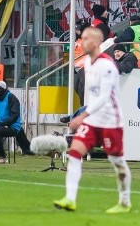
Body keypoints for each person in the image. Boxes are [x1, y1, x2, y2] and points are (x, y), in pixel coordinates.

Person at [54, 26, 132, 214]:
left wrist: (81, 116)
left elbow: (105, 97)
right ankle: (70, 199)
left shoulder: (107, 65)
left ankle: (124, 201)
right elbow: (93, 95)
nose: (82, 42)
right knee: (74, 152)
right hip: (92, 119)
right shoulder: (87, 63)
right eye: (81, 38)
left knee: (117, 162)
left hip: (111, 120)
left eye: (86, 38)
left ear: (97, 42)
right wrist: (86, 116)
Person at [0, 81, 33, 162]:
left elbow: (14, 116)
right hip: (0, 125)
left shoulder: (11, 98)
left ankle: (2, 156)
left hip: (13, 127)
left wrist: (2, 124)